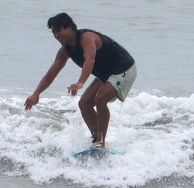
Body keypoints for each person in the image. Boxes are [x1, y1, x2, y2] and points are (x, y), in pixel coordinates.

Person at [24, 12, 137, 148]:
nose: (56, 36)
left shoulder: (87, 38)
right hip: (106, 73)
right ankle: (96, 140)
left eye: (58, 30)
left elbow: (90, 60)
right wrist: (36, 93)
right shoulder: (65, 51)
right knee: (84, 103)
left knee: (100, 98)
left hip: (124, 69)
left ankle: (101, 143)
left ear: (70, 27)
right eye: (53, 33)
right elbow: (50, 74)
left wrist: (80, 83)